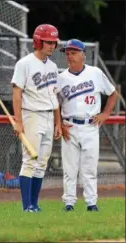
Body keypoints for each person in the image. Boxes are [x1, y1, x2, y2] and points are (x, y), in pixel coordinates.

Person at [57, 39, 118, 212]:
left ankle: (91, 203)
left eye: (74, 53)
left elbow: (113, 94)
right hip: (69, 125)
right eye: (68, 53)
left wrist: (105, 113)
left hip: (90, 125)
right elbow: (56, 103)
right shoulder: (61, 78)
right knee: (70, 168)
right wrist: (59, 123)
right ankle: (69, 203)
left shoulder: (95, 73)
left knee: (89, 167)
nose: (70, 56)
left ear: (83, 55)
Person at [11, 24, 62, 212]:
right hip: (32, 115)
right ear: (38, 41)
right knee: (30, 160)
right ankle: (27, 206)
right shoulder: (24, 63)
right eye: (48, 42)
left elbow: (55, 95)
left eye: (54, 42)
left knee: (42, 163)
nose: (52, 46)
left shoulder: (53, 66)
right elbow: (17, 93)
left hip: (49, 115)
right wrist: (18, 121)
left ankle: (34, 204)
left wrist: (58, 121)